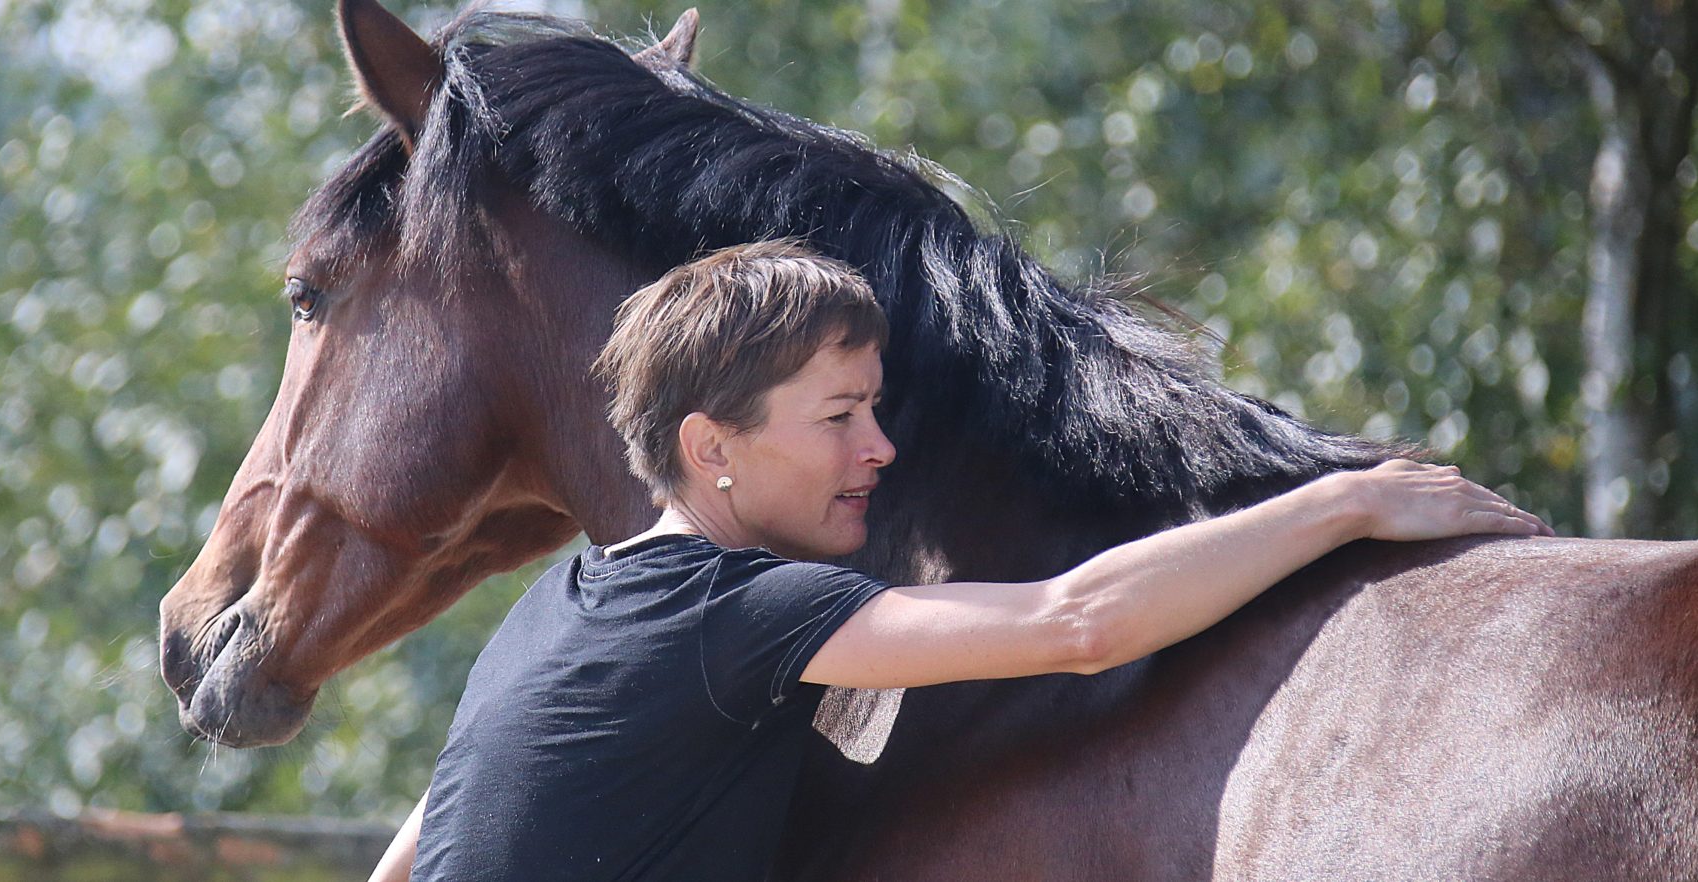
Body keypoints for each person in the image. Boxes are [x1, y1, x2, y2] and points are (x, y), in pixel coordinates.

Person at [367, 240, 1552, 881]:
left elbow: (426, 837)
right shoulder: (748, 614)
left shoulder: (558, 603)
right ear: (708, 447)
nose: (876, 449)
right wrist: (1342, 505)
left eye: (874, 410)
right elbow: (1075, 624)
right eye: (837, 417)